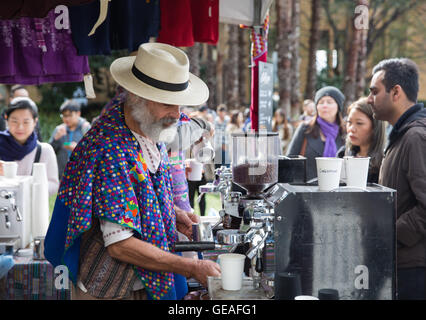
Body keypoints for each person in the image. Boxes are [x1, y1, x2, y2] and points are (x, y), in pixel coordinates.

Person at [44, 42, 221, 301]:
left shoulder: (146, 124)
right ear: (137, 98)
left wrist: (171, 213)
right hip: (109, 290)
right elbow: (120, 245)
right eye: (167, 104)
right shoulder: (110, 148)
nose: (176, 114)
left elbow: (135, 195)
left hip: (140, 282)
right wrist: (192, 267)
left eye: (179, 104)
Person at [367, 58, 426, 300]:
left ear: (396, 92)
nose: (369, 98)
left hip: (413, 270)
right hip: (402, 264)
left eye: (374, 91)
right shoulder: (402, 136)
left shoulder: (415, 138)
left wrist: (389, 234)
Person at [0, 97, 59, 196]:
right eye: (15, 121)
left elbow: (53, 185)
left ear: (35, 122)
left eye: (26, 122)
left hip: (34, 209)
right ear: (6, 119)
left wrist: (31, 186)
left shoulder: (44, 150)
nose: (20, 127)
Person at [286, 86, 346, 181]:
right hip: (306, 191)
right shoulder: (305, 129)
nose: (324, 105)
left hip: (337, 191)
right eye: (321, 102)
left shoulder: (345, 133)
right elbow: (289, 160)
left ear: (338, 106)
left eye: (329, 102)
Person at [337, 97, 386, 183]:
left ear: (375, 127)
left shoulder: (384, 162)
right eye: (349, 122)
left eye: (359, 123)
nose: (351, 129)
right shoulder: (343, 154)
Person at [49, 99, 91, 180]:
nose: (67, 119)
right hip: (62, 175)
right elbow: (50, 152)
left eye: (70, 115)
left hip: (81, 175)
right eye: (64, 116)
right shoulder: (59, 129)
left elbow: (93, 152)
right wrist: (55, 139)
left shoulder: (86, 128)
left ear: (78, 114)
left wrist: (78, 149)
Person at [213, 104, 230, 168]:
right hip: (217, 145)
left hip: (226, 145)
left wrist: (225, 144)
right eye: (219, 113)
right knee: (217, 164)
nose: (221, 115)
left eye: (222, 113)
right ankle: (217, 177)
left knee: (226, 163)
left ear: (225, 112)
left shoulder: (228, 120)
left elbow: (228, 133)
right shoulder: (215, 120)